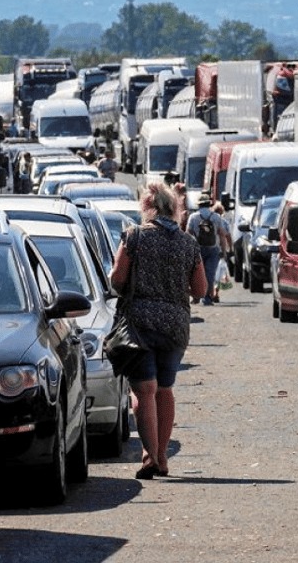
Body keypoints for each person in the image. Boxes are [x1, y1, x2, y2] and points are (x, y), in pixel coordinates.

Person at [109, 182, 208, 480]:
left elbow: (117, 279)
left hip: (139, 325)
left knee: (143, 390)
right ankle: (162, 456)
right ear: (173, 208)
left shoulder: (134, 236)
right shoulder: (189, 243)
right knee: (164, 388)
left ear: (146, 207)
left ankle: (150, 456)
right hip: (175, 327)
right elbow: (200, 290)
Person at [185, 196, 231, 306]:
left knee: (196, 273)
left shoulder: (193, 217)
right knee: (210, 274)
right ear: (209, 204)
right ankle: (207, 298)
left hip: (198, 249)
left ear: (199, 205)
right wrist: (224, 251)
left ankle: (196, 296)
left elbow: (187, 234)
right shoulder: (216, 217)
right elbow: (222, 235)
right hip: (213, 249)